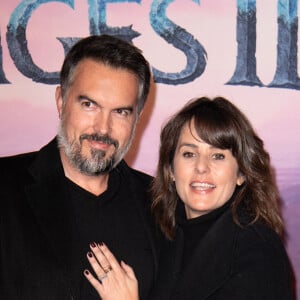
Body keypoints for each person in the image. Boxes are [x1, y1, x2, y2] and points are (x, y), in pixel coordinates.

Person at [0, 35, 162, 300]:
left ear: (137, 118)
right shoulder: (5, 189)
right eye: (89, 105)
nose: (102, 128)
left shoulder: (159, 204)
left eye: (121, 112)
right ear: (61, 101)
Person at [83, 97, 294, 300]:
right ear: (171, 170)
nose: (201, 167)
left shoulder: (258, 249)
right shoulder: (161, 236)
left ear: (241, 174)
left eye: (218, 156)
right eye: (189, 154)